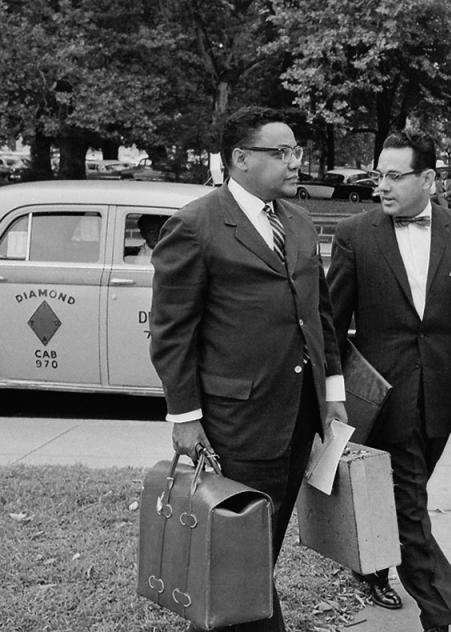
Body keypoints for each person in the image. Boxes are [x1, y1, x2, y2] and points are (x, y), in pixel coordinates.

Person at [149, 106, 347, 632]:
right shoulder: (195, 226)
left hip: (300, 417)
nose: (294, 162)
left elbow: (319, 314)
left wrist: (333, 391)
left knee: (262, 549)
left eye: (296, 151)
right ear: (240, 158)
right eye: (279, 152)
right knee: (238, 554)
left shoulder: (299, 223)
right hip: (237, 421)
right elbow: (172, 332)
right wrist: (184, 415)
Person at [327, 129, 451, 632]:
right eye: (378, 174)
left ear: (428, 178)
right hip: (383, 397)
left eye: (394, 175)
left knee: (407, 493)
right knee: (410, 504)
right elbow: (331, 325)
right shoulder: (355, 235)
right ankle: (440, 611)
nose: (381, 185)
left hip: (441, 396)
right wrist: (331, 394)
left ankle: (377, 562)